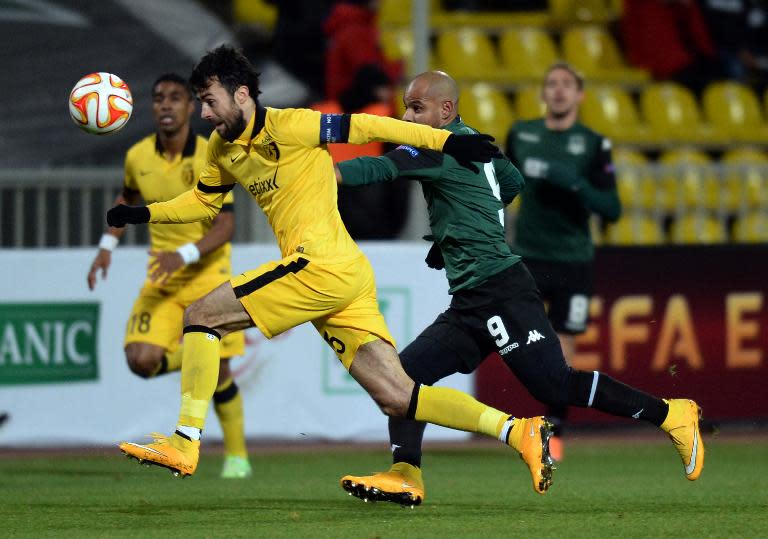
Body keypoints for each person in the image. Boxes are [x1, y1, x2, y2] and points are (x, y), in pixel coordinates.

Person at [107, 45, 555, 500]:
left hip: (316, 264)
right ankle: (518, 431)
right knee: (398, 395)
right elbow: (202, 203)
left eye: (209, 100)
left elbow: (365, 126)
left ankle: (185, 441)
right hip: (343, 274)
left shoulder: (292, 123)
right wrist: (143, 216)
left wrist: (446, 140)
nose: (204, 113)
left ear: (241, 94)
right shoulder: (223, 148)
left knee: (202, 314)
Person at [335, 70, 704, 507]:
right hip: (474, 296)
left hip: (500, 289)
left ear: (445, 110)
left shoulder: (434, 147)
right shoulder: (476, 142)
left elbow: (375, 168)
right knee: (404, 379)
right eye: (406, 106)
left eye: (416, 107)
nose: (405, 116)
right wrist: (457, 231)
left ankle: (671, 414)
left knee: (553, 385)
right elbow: (510, 182)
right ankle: (405, 473)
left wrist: (310, 177)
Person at [87, 73, 251, 479]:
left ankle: (237, 456)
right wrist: (107, 247)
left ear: (190, 108)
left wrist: (185, 253)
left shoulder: (211, 154)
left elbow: (226, 225)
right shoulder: (137, 156)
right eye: (158, 98)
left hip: (207, 274)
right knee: (140, 360)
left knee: (222, 375)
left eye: (175, 98)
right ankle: (197, 352)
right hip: (162, 277)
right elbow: (127, 196)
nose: (165, 105)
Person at [505, 61, 621, 460]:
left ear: (579, 95)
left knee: (564, 339)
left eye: (566, 85)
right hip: (529, 255)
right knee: (515, 333)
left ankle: (554, 427)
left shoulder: (593, 143)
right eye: (551, 83)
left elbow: (612, 208)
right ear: (542, 92)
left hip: (573, 258)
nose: (558, 91)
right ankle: (504, 422)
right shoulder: (521, 134)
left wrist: (574, 183)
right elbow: (499, 185)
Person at [312, 63, 409, 239]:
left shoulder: (321, 113)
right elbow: (399, 179)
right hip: (371, 206)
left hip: (325, 205)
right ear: (378, 89)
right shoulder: (383, 117)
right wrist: (395, 226)